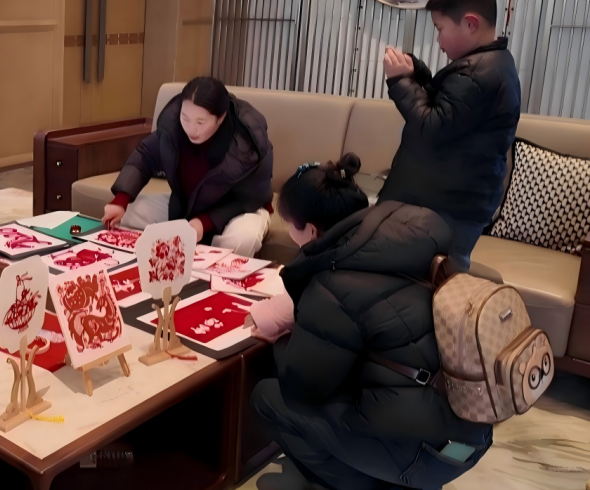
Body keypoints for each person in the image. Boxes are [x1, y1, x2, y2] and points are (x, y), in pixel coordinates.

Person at [251, 154, 492, 490]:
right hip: (470, 439)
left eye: (290, 223)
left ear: (312, 230)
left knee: (267, 397)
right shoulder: (412, 240)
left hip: (422, 458)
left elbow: (304, 388)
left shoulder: (332, 285)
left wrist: (281, 344)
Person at [380, 0, 521, 272]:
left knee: (434, 281)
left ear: (470, 24)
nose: (438, 40)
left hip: (446, 209)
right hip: (451, 202)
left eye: (440, 28)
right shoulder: (489, 64)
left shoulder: (478, 73)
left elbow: (431, 127)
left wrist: (400, 82)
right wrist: (418, 73)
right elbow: (450, 109)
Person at [101, 76, 273, 256]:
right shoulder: (173, 127)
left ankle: (209, 269)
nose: (191, 128)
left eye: (200, 122)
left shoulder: (249, 142)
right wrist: (121, 200)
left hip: (241, 211)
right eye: (185, 118)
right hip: (188, 205)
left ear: (221, 118)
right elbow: (144, 157)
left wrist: (204, 222)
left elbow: (251, 198)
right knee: (128, 213)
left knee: (240, 240)